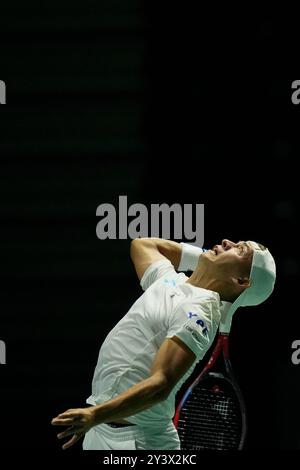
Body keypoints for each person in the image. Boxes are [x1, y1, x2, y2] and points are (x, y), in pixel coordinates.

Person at [51, 238, 276, 450]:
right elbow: (143, 245)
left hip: (140, 440)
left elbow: (160, 385)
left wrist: (94, 415)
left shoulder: (199, 311)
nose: (228, 242)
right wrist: (206, 257)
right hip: (101, 429)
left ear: (241, 281)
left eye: (240, 250)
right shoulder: (172, 281)